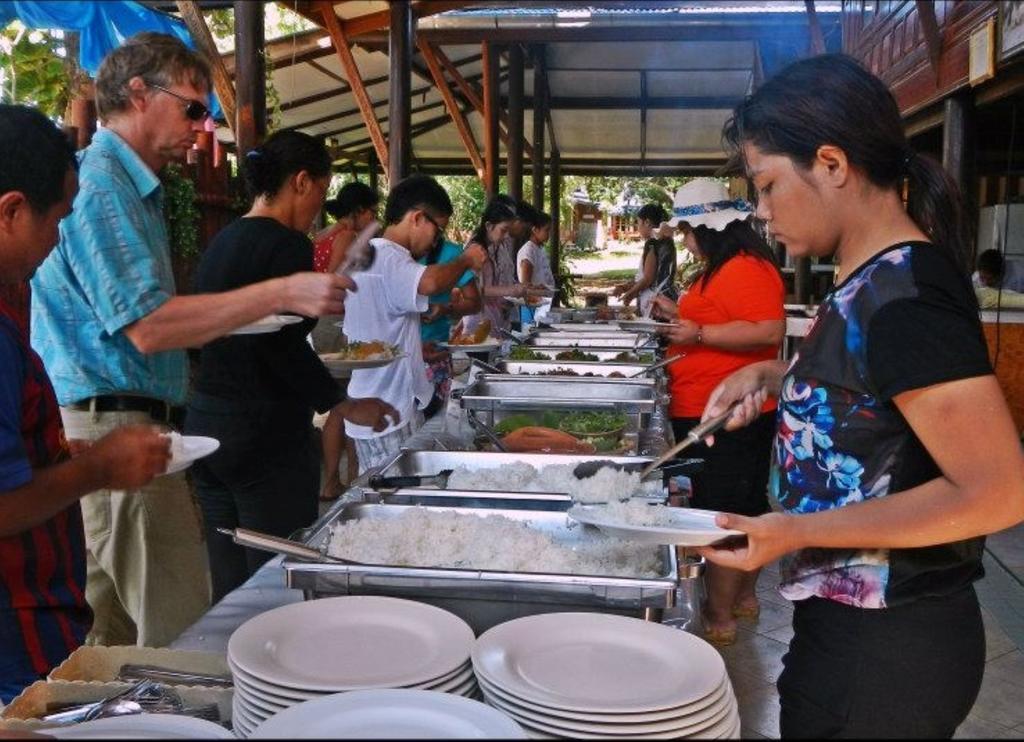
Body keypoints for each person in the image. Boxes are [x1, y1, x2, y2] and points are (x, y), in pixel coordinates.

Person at [695, 54, 1024, 738]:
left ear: (833, 164)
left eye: (768, 185)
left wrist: (791, 532)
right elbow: (873, 384)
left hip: (890, 646)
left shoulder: (906, 296)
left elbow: (997, 491)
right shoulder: (868, 281)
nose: (761, 212)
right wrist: (772, 378)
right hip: (853, 630)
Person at [29, 33, 352, 648]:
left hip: (118, 422)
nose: (203, 130)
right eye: (194, 109)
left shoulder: (133, 188)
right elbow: (149, 326)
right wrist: (280, 293)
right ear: (138, 94)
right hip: (116, 429)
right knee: (181, 641)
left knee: (113, 641)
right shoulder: (104, 185)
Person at [0, 104, 172, 701]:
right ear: (12, 211)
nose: (58, 239)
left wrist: (53, 455)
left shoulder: (10, 304)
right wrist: (95, 468)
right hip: (14, 649)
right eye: (57, 220)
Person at [183, 132, 397, 602]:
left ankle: (225, 669)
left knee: (229, 584)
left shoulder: (222, 240)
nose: (318, 209)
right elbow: (282, 348)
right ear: (301, 182)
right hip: (264, 432)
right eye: (321, 193)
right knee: (279, 575)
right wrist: (343, 403)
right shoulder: (287, 245)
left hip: (207, 426)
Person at [650, 178, 785, 646]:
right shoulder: (721, 267)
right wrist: (680, 316)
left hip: (731, 412)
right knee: (740, 501)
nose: (685, 240)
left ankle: (721, 613)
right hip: (712, 407)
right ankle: (742, 597)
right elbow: (722, 319)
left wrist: (699, 336)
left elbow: (768, 330)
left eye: (689, 230)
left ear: (713, 228)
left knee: (724, 511)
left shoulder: (747, 267)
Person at [343, 175, 485, 473]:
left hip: (381, 400)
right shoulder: (390, 258)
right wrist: (465, 260)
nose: (436, 242)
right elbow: (431, 282)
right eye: (438, 231)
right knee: (394, 497)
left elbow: (377, 326)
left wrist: (415, 349)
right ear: (418, 218)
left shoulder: (371, 256)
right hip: (386, 408)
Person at [310, 181, 380, 501]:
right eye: (372, 212)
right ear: (361, 211)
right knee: (346, 404)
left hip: (320, 322)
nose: (374, 218)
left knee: (336, 403)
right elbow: (337, 277)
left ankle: (333, 480)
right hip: (337, 320)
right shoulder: (347, 236)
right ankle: (348, 478)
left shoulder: (322, 234)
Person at [419, 236, 482, 415]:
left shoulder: (451, 253)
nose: (433, 236)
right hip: (398, 354)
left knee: (434, 416)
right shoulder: (393, 254)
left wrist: (445, 309)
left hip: (436, 348)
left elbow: (475, 302)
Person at [461, 196, 540, 336]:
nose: (505, 236)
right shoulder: (475, 250)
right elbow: (476, 289)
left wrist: (517, 288)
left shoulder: (497, 246)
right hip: (478, 322)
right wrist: (510, 290)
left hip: (496, 321)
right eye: (503, 231)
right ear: (488, 226)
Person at [614, 203, 678, 314]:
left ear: (647, 222)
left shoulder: (652, 243)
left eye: (638, 223)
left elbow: (648, 278)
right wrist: (625, 287)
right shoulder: (667, 242)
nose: (638, 228)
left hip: (656, 302)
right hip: (667, 298)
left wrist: (630, 294)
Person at [516, 210, 556, 325]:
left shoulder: (539, 248)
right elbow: (525, 284)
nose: (549, 234)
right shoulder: (528, 251)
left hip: (543, 302)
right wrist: (536, 294)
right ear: (535, 230)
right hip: (533, 306)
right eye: (546, 230)